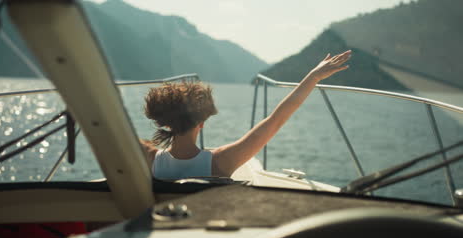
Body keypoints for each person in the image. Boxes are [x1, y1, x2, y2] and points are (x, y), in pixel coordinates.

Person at [141, 50, 351, 179]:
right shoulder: (220, 162)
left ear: (165, 123)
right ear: (202, 123)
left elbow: (110, 134)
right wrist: (314, 76)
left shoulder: (147, 158)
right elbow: (276, 121)